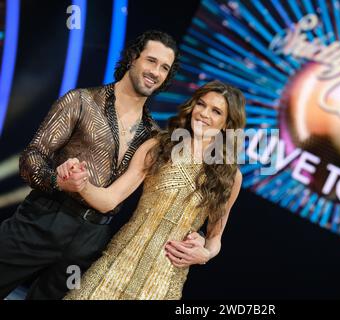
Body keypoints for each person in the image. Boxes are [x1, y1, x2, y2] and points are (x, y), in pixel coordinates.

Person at [0, 30, 203, 300]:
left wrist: (199, 236)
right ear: (132, 57)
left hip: (90, 241)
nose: (156, 72)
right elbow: (32, 157)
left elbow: (171, 194)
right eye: (151, 61)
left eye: (164, 67)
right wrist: (56, 181)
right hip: (43, 220)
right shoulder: (81, 101)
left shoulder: (154, 137)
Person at [62, 80, 246, 299]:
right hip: (117, 265)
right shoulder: (159, 147)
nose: (204, 114)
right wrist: (82, 184)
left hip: (164, 282)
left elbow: (215, 237)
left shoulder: (230, 177)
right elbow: (110, 199)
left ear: (227, 124)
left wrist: (204, 253)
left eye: (216, 111)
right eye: (201, 104)